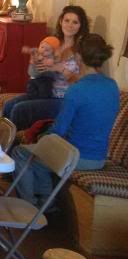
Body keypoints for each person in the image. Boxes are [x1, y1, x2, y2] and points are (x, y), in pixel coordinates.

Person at [12, 34, 119, 208]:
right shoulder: (112, 85)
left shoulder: (77, 90)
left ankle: (29, 206)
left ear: (78, 57)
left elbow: (58, 131)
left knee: (21, 152)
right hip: (99, 157)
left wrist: (40, 138)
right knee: (40, 156)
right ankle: (46, 201)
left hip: (77, 157)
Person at [2, 5, 89, 130]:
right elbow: (34, 73)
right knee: (8, 105)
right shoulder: (53, 43)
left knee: (19, 109)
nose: (70, 25)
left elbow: (82, 82)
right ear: (61, 21)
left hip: (63, 99)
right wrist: (34, 62)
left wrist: (59, 68)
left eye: (75, 22)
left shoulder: (81, 50)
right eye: (67, 20)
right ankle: (1, 139)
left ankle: (15, 141)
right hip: (44, 92)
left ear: (81, 26)